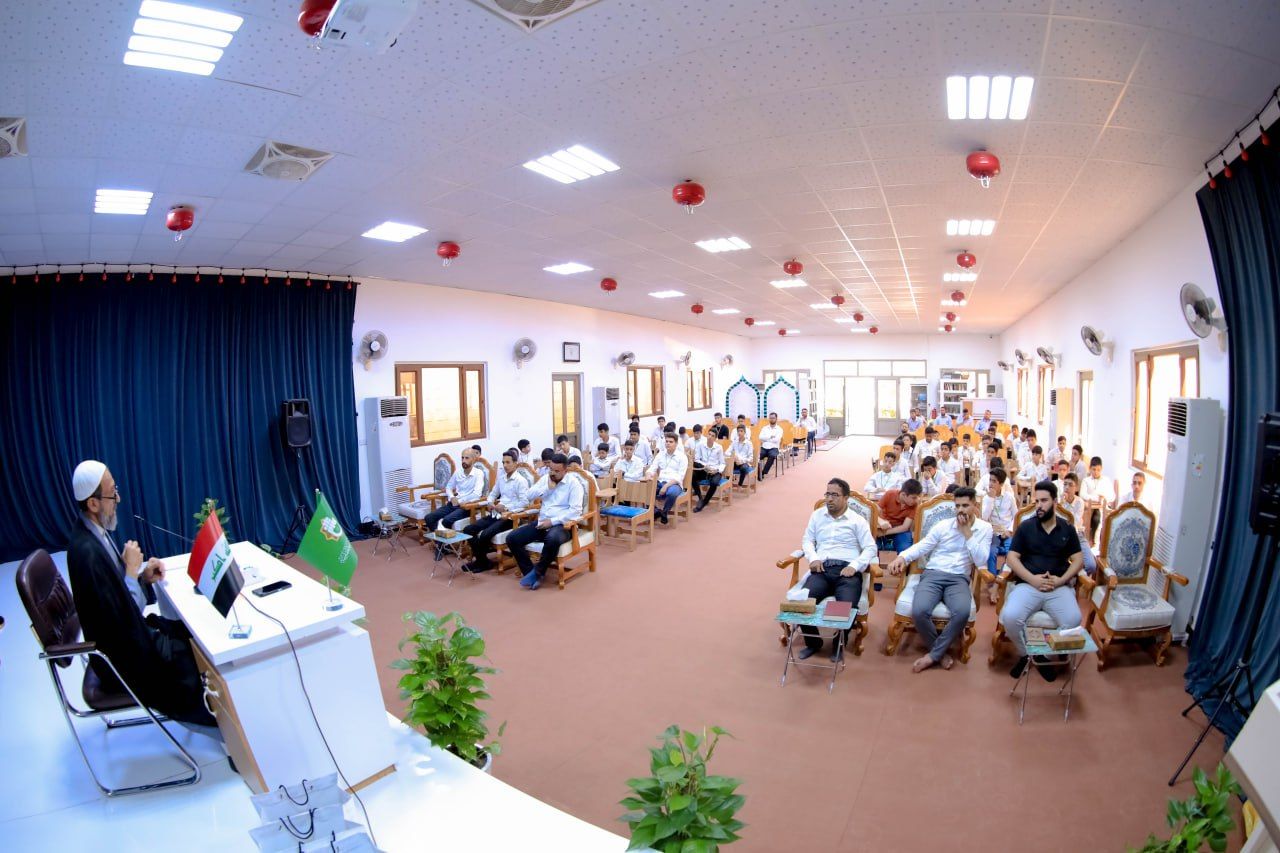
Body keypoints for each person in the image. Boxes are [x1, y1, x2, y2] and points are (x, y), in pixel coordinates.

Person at [66, 460, 219, 734]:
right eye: (112, 494)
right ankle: (222, 722)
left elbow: (116, 598)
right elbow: (124, 619)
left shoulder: (93, 532)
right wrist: (130, 571)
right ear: (93, 503)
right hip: (121, 660)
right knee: (190, 654)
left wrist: (141, 576)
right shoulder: (87, 554)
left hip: (127, 639)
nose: (118, 499)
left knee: (188, 631)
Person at [886, 487, 992, 673]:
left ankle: (932, 655)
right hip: (933, 573)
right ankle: (939, 654)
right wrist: (902, 557)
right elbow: (922, 546)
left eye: (965, 505)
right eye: (957, 506)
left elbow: (981, 560)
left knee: (962, 612)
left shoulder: (985, 528)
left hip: (959, 578)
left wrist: (967, 532)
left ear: (974, 505)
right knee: (919, 610)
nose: (960, 510)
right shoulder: (943, 526)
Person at [1001, 480, 1085, 680]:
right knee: (1010, 617)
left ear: (1055, 502)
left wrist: (1061, 580)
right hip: (1029, 585)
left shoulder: (1067, 528)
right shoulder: (1026, 527)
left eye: (1044, 501)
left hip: (1058, 587)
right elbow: (1011, 558)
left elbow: (1078, 560)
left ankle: (1043, 656)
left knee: (1073, 620)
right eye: (1036, 501)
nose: (1039, 505)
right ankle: (1027, 654)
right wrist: (1032, 579)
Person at [795, 478, 878, 662]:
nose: (829, 499)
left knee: (844, 606)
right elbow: (807, 540)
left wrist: (854, 566)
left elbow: (870, 547)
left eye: (834, 495)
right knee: (802, 604)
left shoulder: (857, 521)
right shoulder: (817, 515)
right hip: (822, 569)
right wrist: (813, 558)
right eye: (827, 494)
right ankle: (813, 642)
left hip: (846, 571)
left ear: (846, 498)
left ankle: (838, 645)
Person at [507, 454, 586, 590]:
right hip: (542, 523)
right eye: (551, 469)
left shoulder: (574, 484)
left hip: (563, 526)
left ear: (565, 470)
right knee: (512, 538)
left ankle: (538, 572)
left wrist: (553, 521)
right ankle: (531, 573)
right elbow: (528, 496)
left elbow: (575, 511)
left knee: (552, 538)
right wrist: (547, 488)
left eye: (557, 471)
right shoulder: (546, 479)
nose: (553, 473)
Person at [461, 450, 530, 572]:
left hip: (510, 517)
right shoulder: (501, 479)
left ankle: (481, 562)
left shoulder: (521, 481)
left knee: (485, 534)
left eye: (508, 462)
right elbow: (492, 494)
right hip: (496, 513)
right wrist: (490, 503)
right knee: (468, 529)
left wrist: (507, 508)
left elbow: (524, 502)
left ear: (515, 463)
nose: (505, 465)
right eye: (503, 462)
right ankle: (483, 561)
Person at [422, 447, 486, 542]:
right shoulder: (458, 471)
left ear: (473, 459)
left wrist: (459, 500)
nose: (463, 460)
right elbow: (448, 487)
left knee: (446, 520)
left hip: (466, 507)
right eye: (462, 458)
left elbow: (476, 494)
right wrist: (452, 497)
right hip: (453, 503)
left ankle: (441, 544)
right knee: (429, 517)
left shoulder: (479, 473)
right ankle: (441, 542)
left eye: (467, 458)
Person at [982, 468, 1017, 604]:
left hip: (1007, 532)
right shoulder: (986, 498)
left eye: (994, 481)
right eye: (990, 480)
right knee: (991, 552)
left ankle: (999, 581)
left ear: (1001, 484)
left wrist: (1009, 530)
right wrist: (991, 499)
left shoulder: (1009, 497)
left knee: (1012, 554)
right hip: (993, 531)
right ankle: (991, 584)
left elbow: (1016, 516)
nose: (991, 484)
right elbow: (984, 518)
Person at [646, 432, 688, 524]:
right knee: (646, 490)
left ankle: (664, 512)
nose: (668, 443)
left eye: (671, 442)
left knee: (672, 493)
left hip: (674, 484)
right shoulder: (660, 454)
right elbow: (652, 468)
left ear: (676, 444)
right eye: (667, 441)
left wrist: (666, 486)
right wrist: (648, 475)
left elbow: (680, 476)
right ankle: (656, 511)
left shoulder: (682, 457)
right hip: (660, 481)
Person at [877, 479, 923, 552]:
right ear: (903, 494)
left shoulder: (914, 504)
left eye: (918, 497)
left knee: (905, 549)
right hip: (884, 527)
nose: (917, 500)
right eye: (914, 497)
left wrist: (884, 533)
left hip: (900, 530)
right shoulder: (890, 494)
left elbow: (905, 527)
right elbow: (874, 512)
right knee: (873, 546)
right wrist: (880, 521)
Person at [1080, 456, 1115, 545]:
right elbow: (1082, 494)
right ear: (1090, 468)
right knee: (1091, 518)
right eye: (1094, 469)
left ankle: (1096, 542)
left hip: (1102, 507)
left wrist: (1103, 498)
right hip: (1089, 507)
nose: (1096, 472)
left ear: (1101, 469)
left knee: (1098, 518)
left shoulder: (1106, 480)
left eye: (1098, 470)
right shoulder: (1086, 480)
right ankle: (1089, 540)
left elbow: (1112, 496)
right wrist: (1096, 498)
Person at [692, 429, 726, 512]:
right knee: (691, 475)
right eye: (709, 434)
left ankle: (704, 502)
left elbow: (722, 463)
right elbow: (697, 459)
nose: (710, 437)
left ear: (715, 438)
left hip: (714, 470)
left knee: (714, 483)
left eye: (712, 436)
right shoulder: (701, 445)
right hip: (704, 469)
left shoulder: (719, 447)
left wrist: (716, 470)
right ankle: (700, 498)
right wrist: (705, 466)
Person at [757, 412, 784, 480]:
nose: (772, 419)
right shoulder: (764, 428)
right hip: (764, 447)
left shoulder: (779, 429)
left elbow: (776, 440)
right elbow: (760, 437)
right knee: (757, 457)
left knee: (772, 456)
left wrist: (766, 439)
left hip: (774, 448)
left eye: (773, 418)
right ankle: (759, 472)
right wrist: (770, 436)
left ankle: (763, 472)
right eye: (770, 418)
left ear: (776, 419)